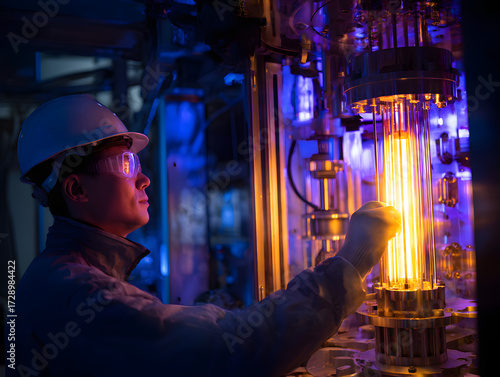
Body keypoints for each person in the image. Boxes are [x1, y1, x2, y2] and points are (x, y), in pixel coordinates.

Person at [11, 94, 400, 377]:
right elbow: (226, 350)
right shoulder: (75, 293)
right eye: (125, 162)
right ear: (77, 190)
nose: (143, 178)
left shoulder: (65, 276)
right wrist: (349, 265)